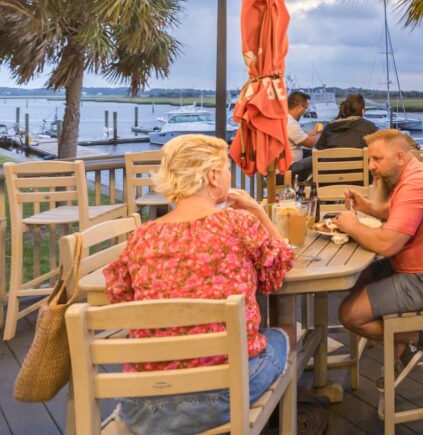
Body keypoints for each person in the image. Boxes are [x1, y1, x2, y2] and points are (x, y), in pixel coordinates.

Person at [104, 134, 295, 434]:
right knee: (284, 335)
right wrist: (257, 211)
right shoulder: (238, 224)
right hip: (220, 398)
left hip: (145, 405)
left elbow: (121, 300)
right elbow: (279, 267)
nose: (229, 175)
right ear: (212, 176)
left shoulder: (142, 236)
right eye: (226, 168)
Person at [334, 128, 423, 389]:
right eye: (369, 159)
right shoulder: (415, 174)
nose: (371, 166)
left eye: (377, 159)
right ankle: (400, 347)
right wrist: (366, 207)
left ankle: (415, 336)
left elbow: (386, 244)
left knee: (349, 314)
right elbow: (398, 212)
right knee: (357, 279)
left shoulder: (416, 184)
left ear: (399, 157)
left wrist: (351, 225)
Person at [291, 92, 377, 181]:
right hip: (360, 182)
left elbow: (318, 152)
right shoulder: (370, 128)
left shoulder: (329, 127)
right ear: (362, 111)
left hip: (328, 182)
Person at [286, 90, 320, 162]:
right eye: (306, 108)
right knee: (320, 156)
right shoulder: (290, 123)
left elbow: (299, 136)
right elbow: (311, 143)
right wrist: (320, 135)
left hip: (292, 160)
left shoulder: (287, 119)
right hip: (291, 167)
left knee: (316, 153)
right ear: (299, 108)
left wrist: (313, 133)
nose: (306, 111)